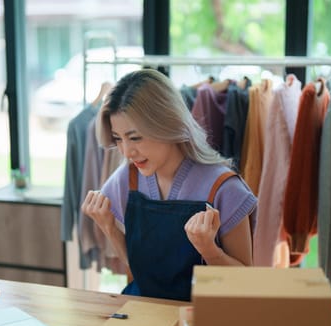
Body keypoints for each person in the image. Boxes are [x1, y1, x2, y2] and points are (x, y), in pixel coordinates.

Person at [81, 69, 256, 302]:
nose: (126, 151)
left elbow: (246, 284)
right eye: (118, 138)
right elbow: (142, 272)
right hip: (145, 312)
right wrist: (109, 228)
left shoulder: (224, 188)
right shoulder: (127, 178)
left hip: (204, 320)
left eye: (135, 138)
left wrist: (210, 251)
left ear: (167, 124)